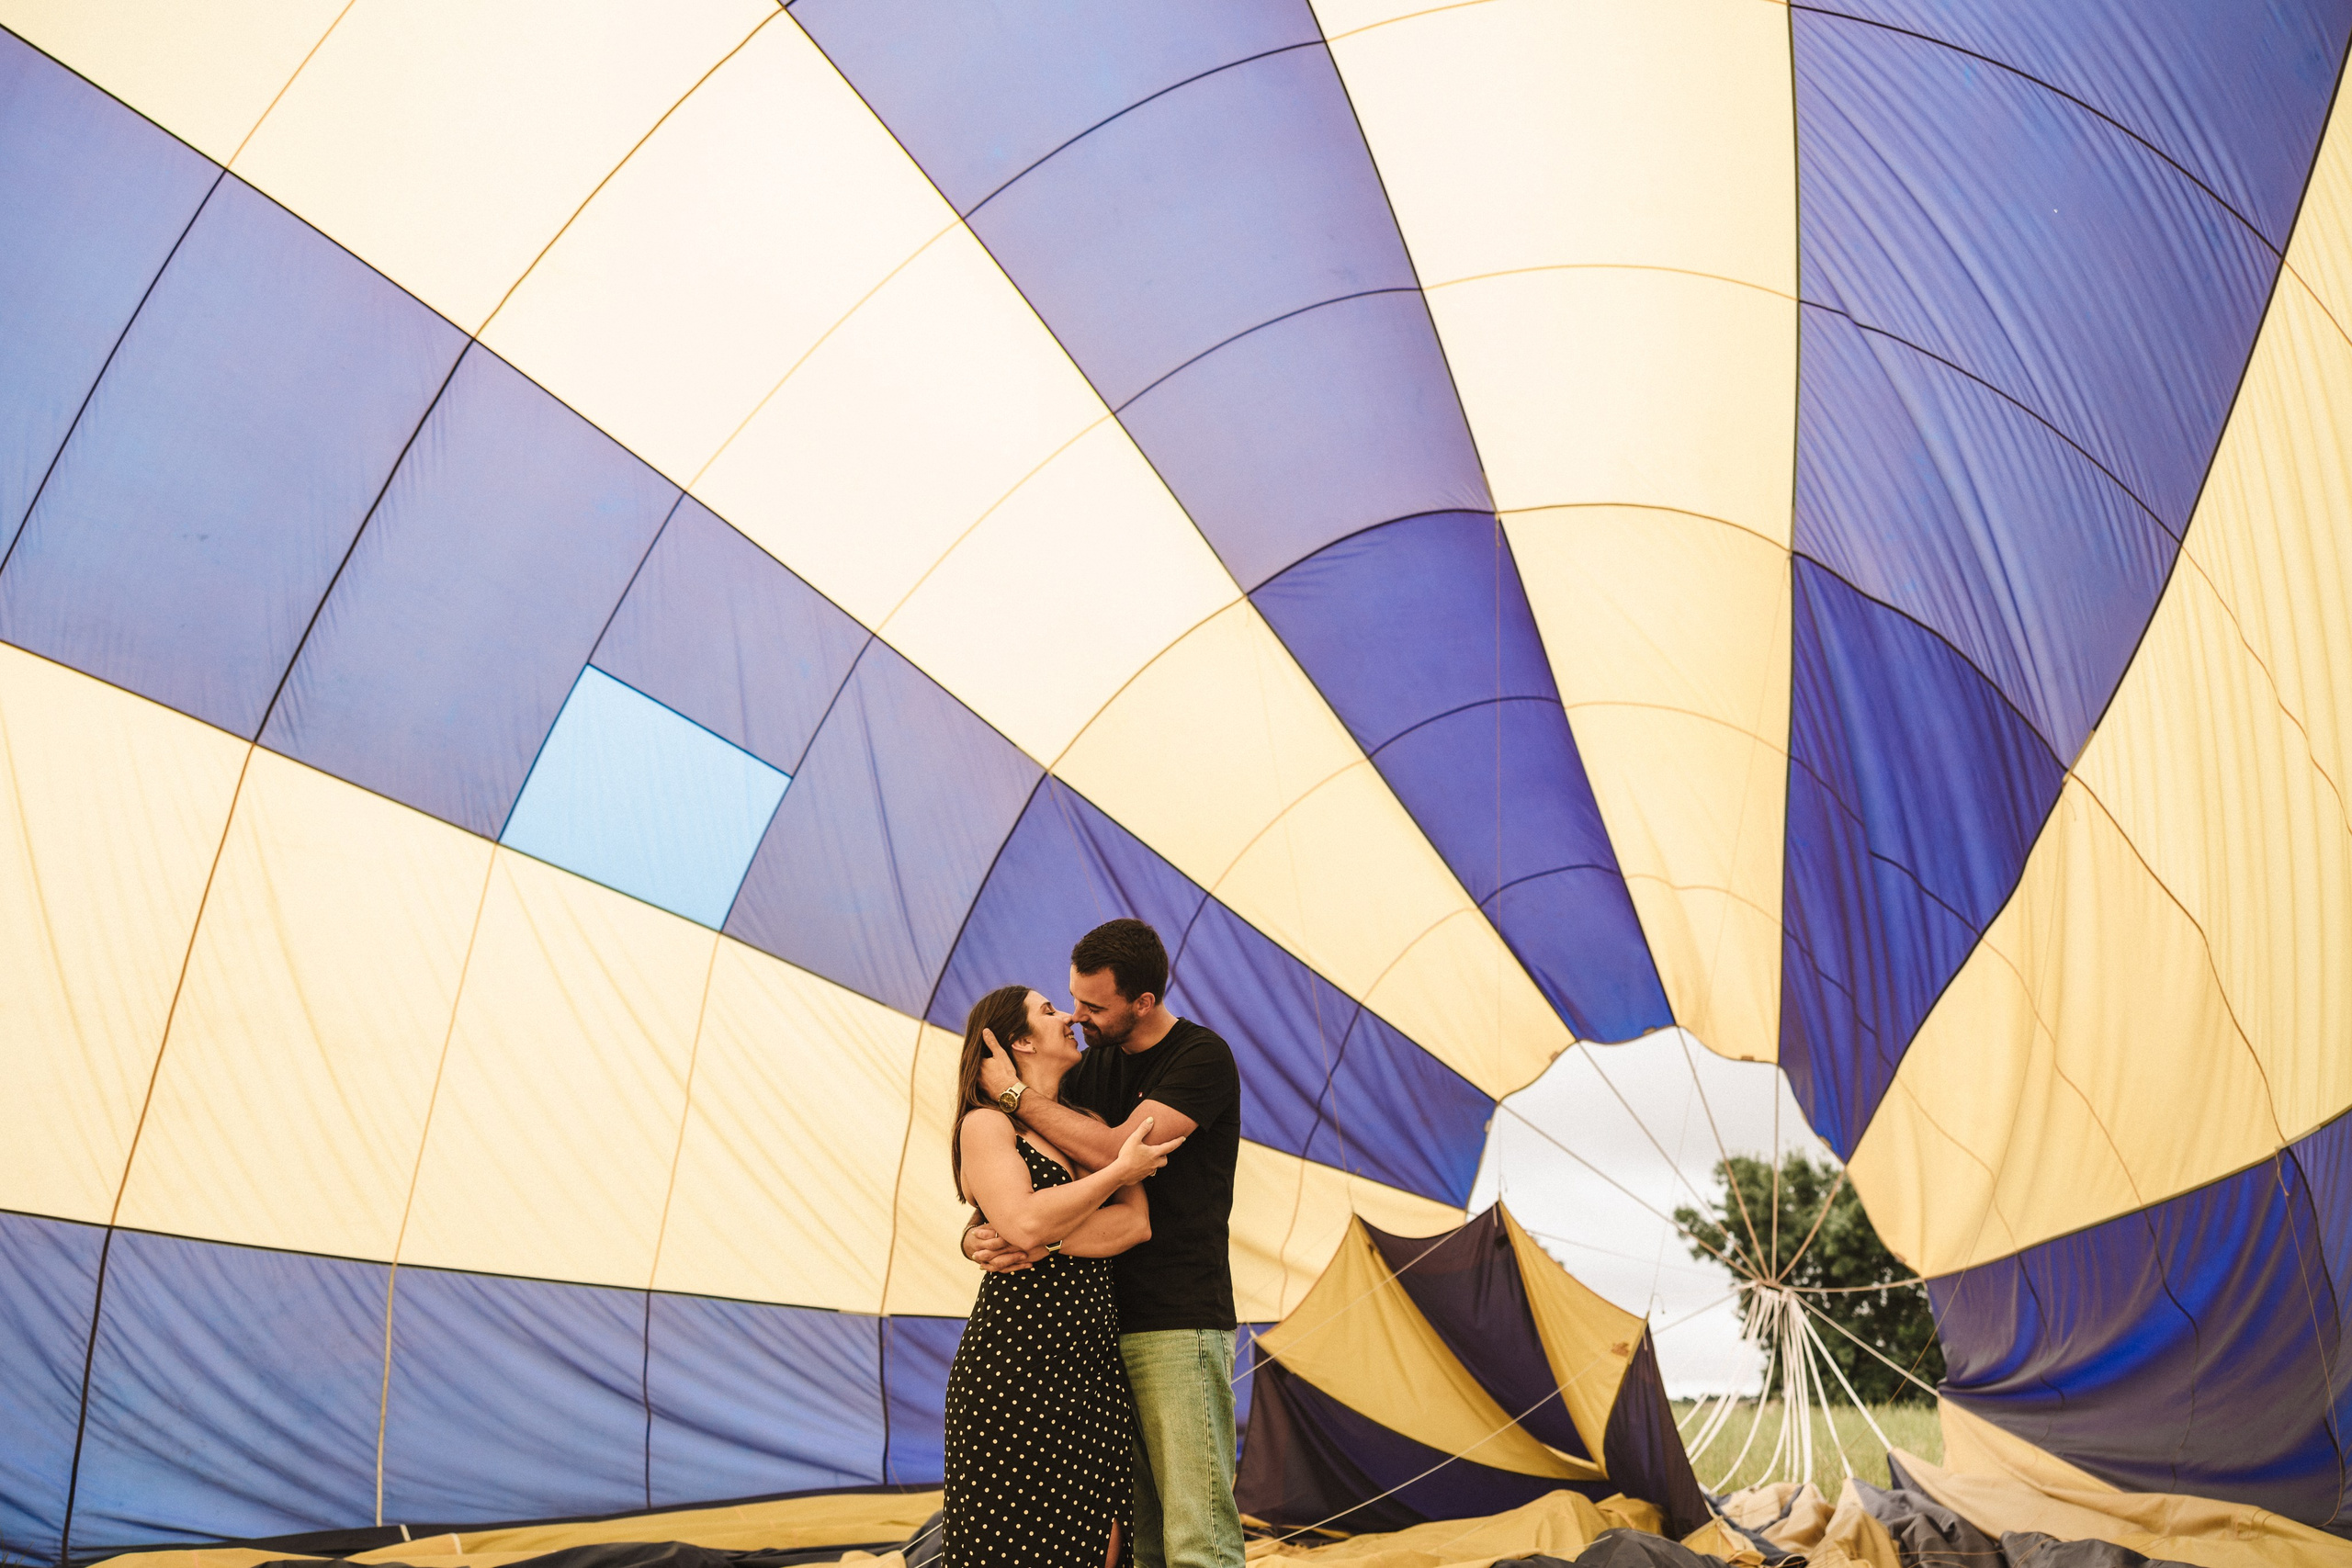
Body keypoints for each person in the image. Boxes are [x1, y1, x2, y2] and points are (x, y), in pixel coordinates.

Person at [965, 919, 1246, 1568]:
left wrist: (1011, 1092)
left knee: (1196, 1534)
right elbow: (1028, 1178)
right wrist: (986, 1232)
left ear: (1141, 1002)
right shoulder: (1089, 1070)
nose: (1078, 1015)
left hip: (1176, 1321)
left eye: (1093, 1005)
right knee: (1140, 1538)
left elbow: (1117, 1149)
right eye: (1071, 999)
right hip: (1094, 1334)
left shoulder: (1201, 1058)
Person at [943, 983, 1184, 1568]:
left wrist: (1039, 1233)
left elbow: (1132, 1226)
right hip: (1014, 1370)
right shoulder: (985, 1127)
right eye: (1050, 1012)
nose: (1069, 1018)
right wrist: (1116, 1172)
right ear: (1020, 1039)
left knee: (1102, 1538)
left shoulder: (1088, 1124)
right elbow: (1025, 1220)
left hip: (1089, 1369)